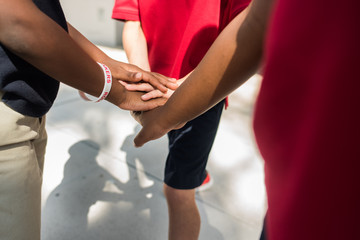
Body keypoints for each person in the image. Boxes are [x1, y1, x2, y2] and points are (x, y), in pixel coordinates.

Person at [130, 0, 360, 239]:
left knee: (178, 191)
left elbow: (253, 26)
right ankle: (199, 172)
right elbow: (256, 22)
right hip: (289, 175)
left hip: (200, 101)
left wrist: (171, 108)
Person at [0, 1, 177, 240]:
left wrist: (106, 63)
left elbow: (41, 12)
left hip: (26, 115)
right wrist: (115, 91)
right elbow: (18, 23)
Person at [112, 0, 250, 239]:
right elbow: (133, 21)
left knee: (177, 193)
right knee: (176, 145)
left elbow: (245, 30)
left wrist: (180, 88)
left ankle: (195, 173)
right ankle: (198, 171)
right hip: (156, 86)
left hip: (203, 91)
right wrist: (144, 80)